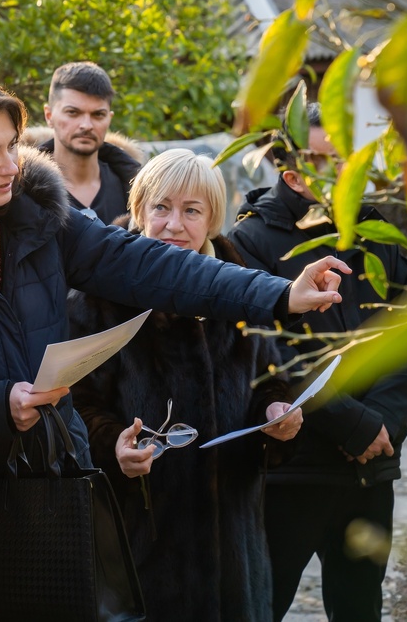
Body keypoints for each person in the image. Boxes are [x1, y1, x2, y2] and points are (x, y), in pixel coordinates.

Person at [0, 69, 350, 621]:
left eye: (11, 148)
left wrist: (280, 294)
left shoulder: (41, 220)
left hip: (51, 491)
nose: (9, 166)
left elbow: (150, 264)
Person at [68, 148, 305, 621]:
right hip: (142, 542)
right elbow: (74, 401)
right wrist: (113, 444)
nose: (174, 223)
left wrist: (277, 414)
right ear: (139, 210)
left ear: (213, 220)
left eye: (191, 210)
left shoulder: (241, 290)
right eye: (161, 207)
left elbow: (270, 381)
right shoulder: (98, 295)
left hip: (233, 544)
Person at [226, 103, 407, 622]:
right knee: (260, 606)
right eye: (324, 161)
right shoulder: (250, 243)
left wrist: (384, 424)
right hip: (294, 471)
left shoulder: (378, 234)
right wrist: (354, 425)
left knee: (360, 609)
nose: (343, 172)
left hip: (370, 472)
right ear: (292, 172)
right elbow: (270, 351)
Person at [37, 61, 143, 223]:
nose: (86, 125)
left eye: (98, 114)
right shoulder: (22, 189)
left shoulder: (138, 189)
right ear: (49, 116)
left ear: (109, 118)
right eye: (73, 112)